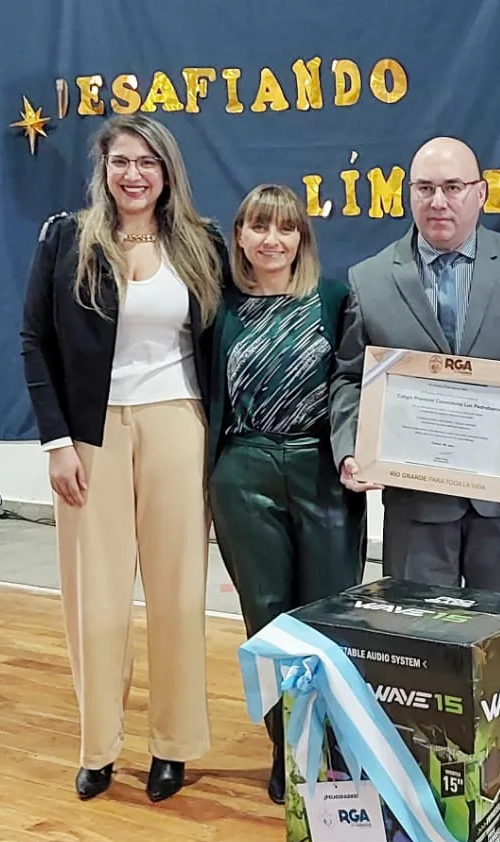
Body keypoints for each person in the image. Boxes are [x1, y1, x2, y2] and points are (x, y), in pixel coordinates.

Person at [19, 114, 226, 803]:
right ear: (104, 171)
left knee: (177, 594)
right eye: (120, 162)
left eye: (147, 162)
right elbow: (33, 340)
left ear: (167, 173)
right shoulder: (66, 239)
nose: (133, 174)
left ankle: (172, 744)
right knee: (95, 600)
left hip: (178, 424)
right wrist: (55, 441)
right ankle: (98, 744)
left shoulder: (200, 244)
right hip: (90, 435)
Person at [329, 136, 500, 597]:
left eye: (453, 187)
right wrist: (350, 447)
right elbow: (349, 378)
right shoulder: (370, 279)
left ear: (480, 193)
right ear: (409, 194)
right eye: (424, 188)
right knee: (424, 643)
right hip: (417, 502)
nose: (438, 201)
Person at [206, 183, 366, 806]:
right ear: (239, 236)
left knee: (328, 614)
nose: (272, 241)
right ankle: (286, 748)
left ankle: (335, 743)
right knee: (268, 616)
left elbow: (355, 382)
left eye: (286, 229)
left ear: (303, 237)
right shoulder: (218, 307)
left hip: (319, 466)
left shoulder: (332, 298)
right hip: (243, 470)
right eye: (258, 228)